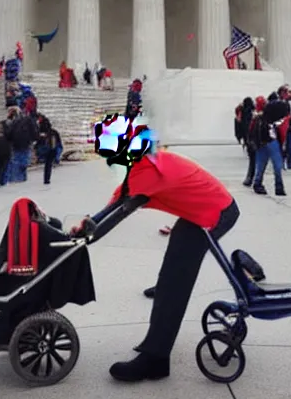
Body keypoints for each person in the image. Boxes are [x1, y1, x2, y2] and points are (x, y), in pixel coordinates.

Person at [70, 115, 239, 382]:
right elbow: (117, 199)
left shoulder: (148, 169)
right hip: (202, 211)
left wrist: (87, 238)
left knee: (176, 281)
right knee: (174, 267)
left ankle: (156, 358)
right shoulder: (143, 161)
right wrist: (87, 226)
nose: (106, 156)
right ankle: (164, 291)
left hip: (214, 214)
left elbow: (120, 211)